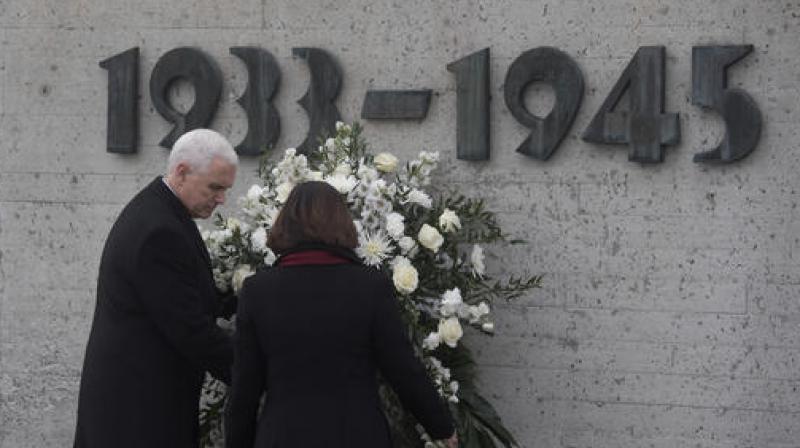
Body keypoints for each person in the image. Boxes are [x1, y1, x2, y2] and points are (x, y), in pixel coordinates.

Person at [224, 181, 458, 448]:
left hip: (284, 435)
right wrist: (441, 426)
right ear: (343, 223)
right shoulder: (370, 286)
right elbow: (402, 368)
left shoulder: (257, 291)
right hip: (358, 434)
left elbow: (245, 389)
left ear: (284, 224)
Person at [73, 129, 239, 448]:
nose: (221, 199)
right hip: (137, 411)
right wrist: (261, 374)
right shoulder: (158, 232)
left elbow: (190, 297)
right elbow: (191, 330)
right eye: (215, 188)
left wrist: (251, 296)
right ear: (181, 172)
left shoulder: (162, 214)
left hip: (141, 401)